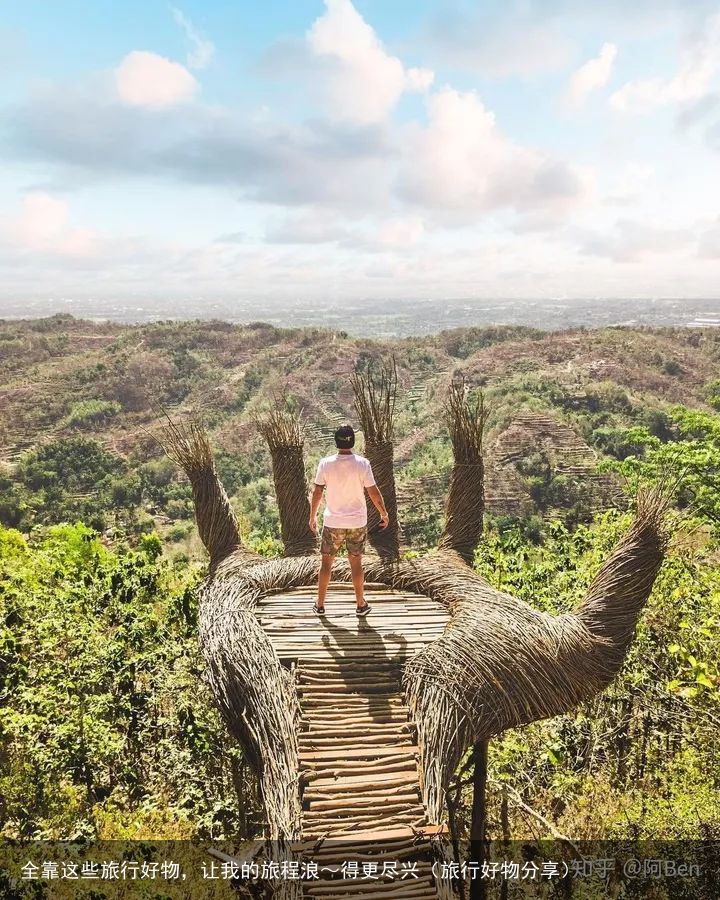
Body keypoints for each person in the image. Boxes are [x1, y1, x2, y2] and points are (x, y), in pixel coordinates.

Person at [308, 424, 389, 616]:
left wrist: (312, 516)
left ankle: (320, 605)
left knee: (326, 563)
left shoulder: (325, 464)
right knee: (356, 562)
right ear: (353, 441)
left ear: (335, 441)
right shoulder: (363, 464)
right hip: (356, 523)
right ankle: (360, 604)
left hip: (333, 522)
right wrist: (383, 513)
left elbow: (318, 491)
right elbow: (373, 491)